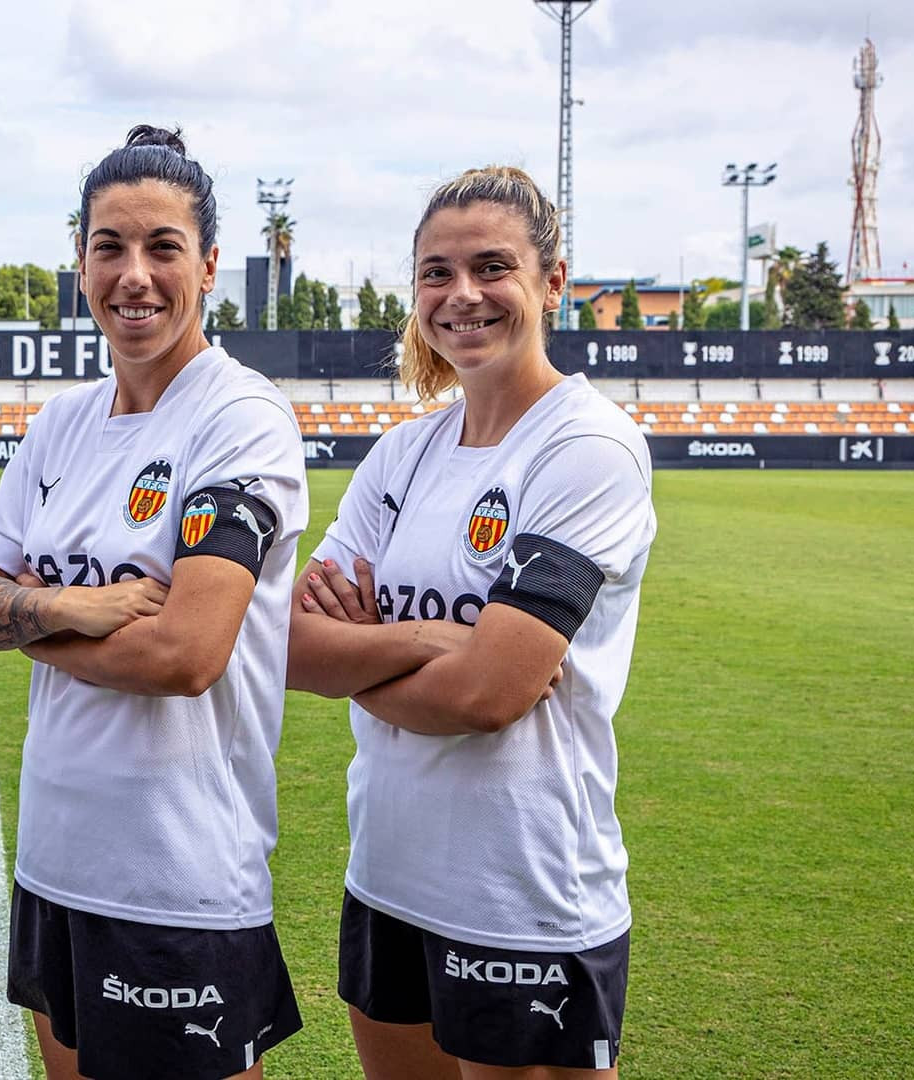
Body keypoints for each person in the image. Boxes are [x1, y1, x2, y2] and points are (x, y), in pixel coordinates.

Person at [0, 125, 310, 1080]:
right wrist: (87, 608)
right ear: (81, 261)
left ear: (210, 265)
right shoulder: (61, 423)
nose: (133, 275)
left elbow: (185, 655)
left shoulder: (241, 420)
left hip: (179, 879)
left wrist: (34, 610)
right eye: (109, 246)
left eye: (162, 247)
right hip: (57, 862)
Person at [286, 166, 655, 1078]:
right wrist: (430, 639)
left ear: (551, 281)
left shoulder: (588, 448)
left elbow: (490, 693)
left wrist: (368, 649)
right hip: (388, 873)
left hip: (522, 894)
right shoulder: (405, 451)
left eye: (492, 267)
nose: (462, 296)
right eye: (436, 273)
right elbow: (289, 644)